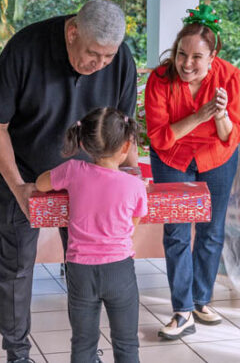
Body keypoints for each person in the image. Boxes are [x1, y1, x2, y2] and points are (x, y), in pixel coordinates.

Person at [0, 0, 138, 362]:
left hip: (90, 182)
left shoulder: (121, 60)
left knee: (88, 267)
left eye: (108, 57)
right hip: (24, 174)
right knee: (17, 267)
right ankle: (17, 353)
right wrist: (19, 187)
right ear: (72, 33)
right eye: (93, 54)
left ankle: (87, 352)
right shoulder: (25, 49)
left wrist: (132, 177)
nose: (100, 64)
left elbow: (125, 131)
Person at [144, 4, 240, 340]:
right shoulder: (160, 80)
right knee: (176, 233)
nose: (186, 64)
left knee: (211, 231)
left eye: (197, 57)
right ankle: (182, 310)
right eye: (181, 54)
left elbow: (232, 135)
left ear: (213, 56)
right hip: (172, 158)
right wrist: (199, 116)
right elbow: (160, 136)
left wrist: (219, 115)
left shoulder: (231, 78)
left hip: (216, 157)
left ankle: (201, 300)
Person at [35, 108, 147, 363]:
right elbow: (132, 225)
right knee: (127, 343)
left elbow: (41, 183)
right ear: (126, 146)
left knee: (83, 343)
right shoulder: (135, 186)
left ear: (84, 144)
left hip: (80, 271)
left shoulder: (73, 170)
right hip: (119, 270)